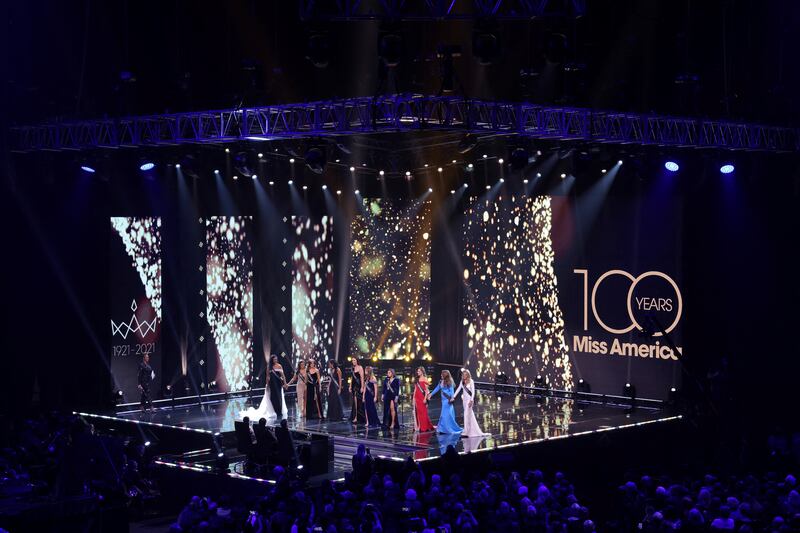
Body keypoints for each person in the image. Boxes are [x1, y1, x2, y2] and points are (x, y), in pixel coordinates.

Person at [453, 369, 489, 437]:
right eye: (463, 375)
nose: (464, 376)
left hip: (469, 401)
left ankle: (467, 432)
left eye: (465, 375)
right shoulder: (462, 381)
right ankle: (470, 430)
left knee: (466, 415)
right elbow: (458, 389)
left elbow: (473, 391)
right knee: (469, 416)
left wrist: (471, 400)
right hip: (464, 401)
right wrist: (453, 396)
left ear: (468, 375)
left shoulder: (471, 381)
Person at [412, 367, 435, 432]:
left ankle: (425, 427)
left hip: (422, 397)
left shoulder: (425, 378)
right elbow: (415, 389)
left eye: (419, 371)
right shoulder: (417, 379)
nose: (418, 372)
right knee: (418, 413)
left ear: (422, 371)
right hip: (417, 397)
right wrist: (413, 397)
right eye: (417, 371)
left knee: (423, 412)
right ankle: (420, 426)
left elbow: (426, 390)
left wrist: (425, 399)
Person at [350, 357, 366, 424]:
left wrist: (362, 387)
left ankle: (358, 417)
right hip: (354, 386)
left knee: (358, 402)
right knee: (355, 401)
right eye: (352, 360)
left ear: (357, 361)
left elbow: (362, 378)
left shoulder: (360, 367)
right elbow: (352, 378)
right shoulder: (352, 368)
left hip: (358, 385)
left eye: (354, 360)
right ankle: (355, 416)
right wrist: (350, 386)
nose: (353, 361)